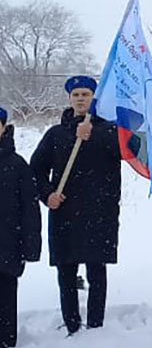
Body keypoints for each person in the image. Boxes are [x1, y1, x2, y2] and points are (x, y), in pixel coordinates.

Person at [30, 76, 121, 334]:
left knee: (96, 272)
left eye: (86, 94)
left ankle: (95, 326)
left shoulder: (109, 131)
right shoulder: (56, 134)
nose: (81, 99)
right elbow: (35, 171)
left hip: (98, 213)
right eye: (76, 95)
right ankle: (72, 324)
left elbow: (124, 152)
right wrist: (48, 195)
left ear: (94, 99)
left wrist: (96, 134)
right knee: (66, 273)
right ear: (70, 99)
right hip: (65, 214)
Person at [0, 106, 42, 348]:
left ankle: (6, 343)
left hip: (8, 243)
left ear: (4, 128)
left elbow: (30, 209)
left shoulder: (17, 165)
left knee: (5, 294)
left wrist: (31, 246)